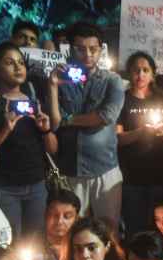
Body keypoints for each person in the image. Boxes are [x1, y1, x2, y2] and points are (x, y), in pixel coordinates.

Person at [46, 22, 125, 230]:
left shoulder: (112, 80)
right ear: (71, 49)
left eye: (93, 49)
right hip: (70, 168)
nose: (87, 54)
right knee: (71, 230)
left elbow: (106, 116)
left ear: (101, 50)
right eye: (80, 49)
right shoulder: (61, 79)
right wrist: (53, 86)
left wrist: (68, 119)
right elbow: (54, 123)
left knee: (108, 229)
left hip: (104, 169)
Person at [0, 41, 57, 240]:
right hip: (4, 188)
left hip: (37, 185)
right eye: (10, 62)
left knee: (35, 242)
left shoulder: (34, 101)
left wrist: (45, 131)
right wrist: (5, 130)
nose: (18, 67)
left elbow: (52, 149)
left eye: (20, 62)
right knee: (10, 244)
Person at [117, 51, 163, 237]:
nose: (140, 75)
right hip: (131, 176)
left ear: (153, 73)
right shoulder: (121, 100)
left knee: (161, 227)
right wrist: (141, 132)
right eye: (136, 70)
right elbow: (118, 137)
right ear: (129, 73)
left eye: (145, 70)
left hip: (160, 174)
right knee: (135, 226)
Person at [43, 188, 80, 260]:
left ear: (76, 219)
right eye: (55, 215)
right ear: (45, 215)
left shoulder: (82, 246)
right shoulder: (32, 243)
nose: (59, 221)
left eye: (67, 216)